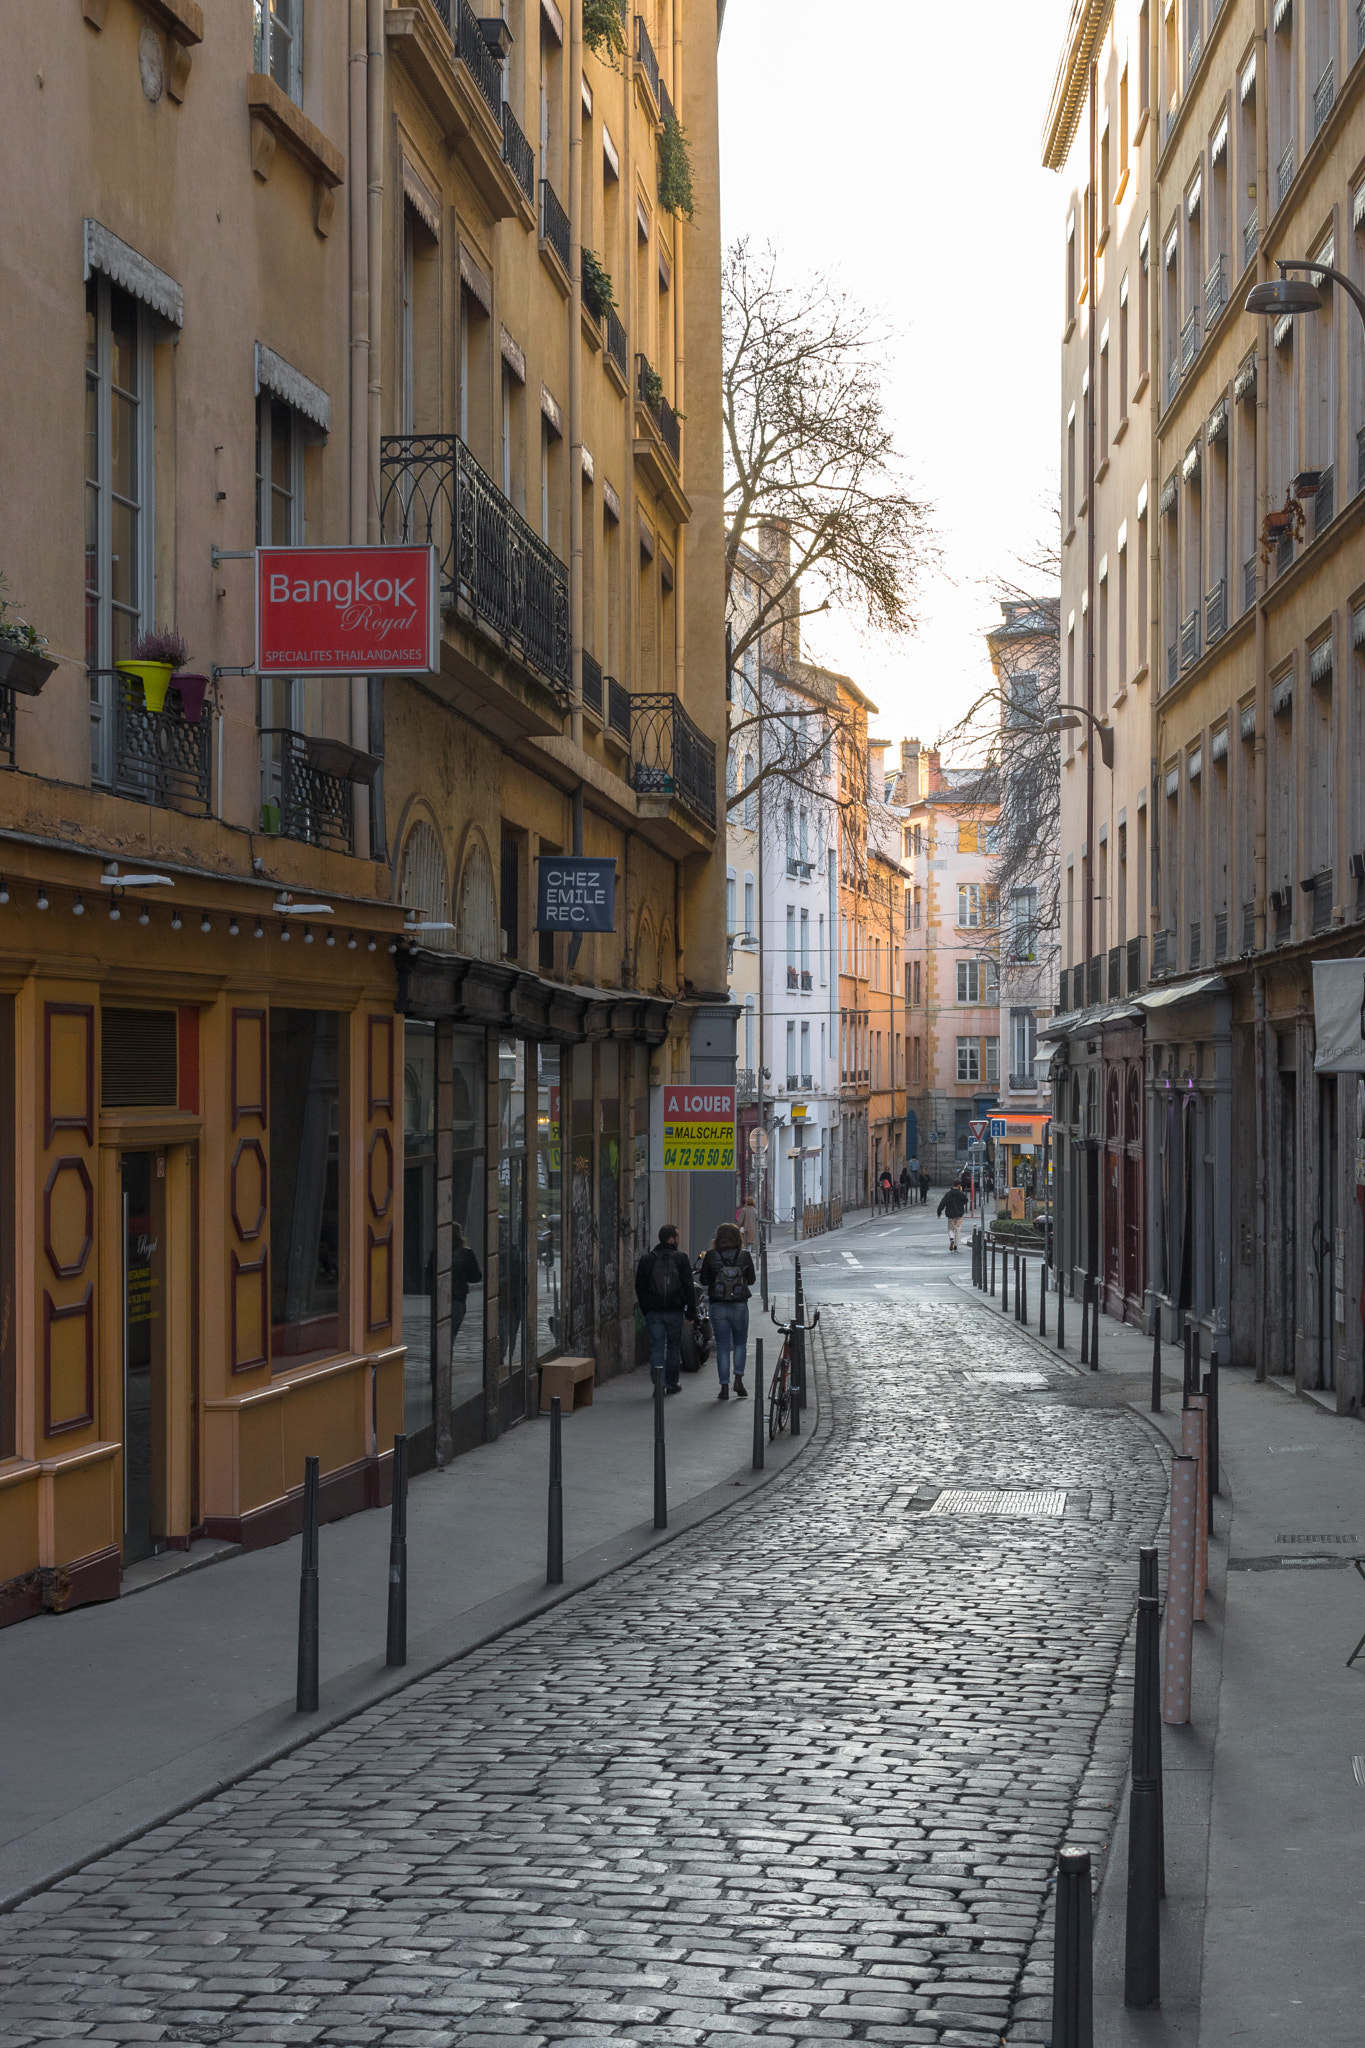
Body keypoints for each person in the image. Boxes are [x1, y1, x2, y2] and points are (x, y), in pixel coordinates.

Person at [634, 1223, 697, 1393]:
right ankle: (671, 1383)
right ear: (671, 1239)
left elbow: (639, 1286)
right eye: (677, 1237)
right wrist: (691, 1311)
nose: (678, 1240)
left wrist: (645, 1308)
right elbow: (688, 1286)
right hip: (675, 1311)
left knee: (657, 1347)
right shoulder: (681, 1258)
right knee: (673, 1348)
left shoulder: (647, 1259)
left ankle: (658, 1384)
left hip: (654, 1312)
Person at [698, 1223, 756, 1400]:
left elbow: (704, 1280)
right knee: (740, 1343)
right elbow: (752, 1280)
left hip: (718, 1305)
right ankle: (738, 1379)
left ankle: (724, 1387)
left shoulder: (711, 1256)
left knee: (723, 1347)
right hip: (739, 1305)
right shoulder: (744, 1255)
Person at [449, 1222, 482, 1345]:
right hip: (458, 1298)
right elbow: (475, 1277)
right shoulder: (465, 1253)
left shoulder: (439, 1250)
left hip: (439, 1299)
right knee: (451, 1335)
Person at [937, 1179, 968, 1251]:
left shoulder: (948, 1194)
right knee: (958, 1229)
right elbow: (965, 1200)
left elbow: (942, 1203)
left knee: (950, 1229)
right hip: (959, 1213)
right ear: (959, 1185)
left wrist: (939, 1212)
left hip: (950, 1214)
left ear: (953, 1184)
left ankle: (951, 1239)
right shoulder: (960, 1194)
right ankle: (956, 1246)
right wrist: (961, 1192)